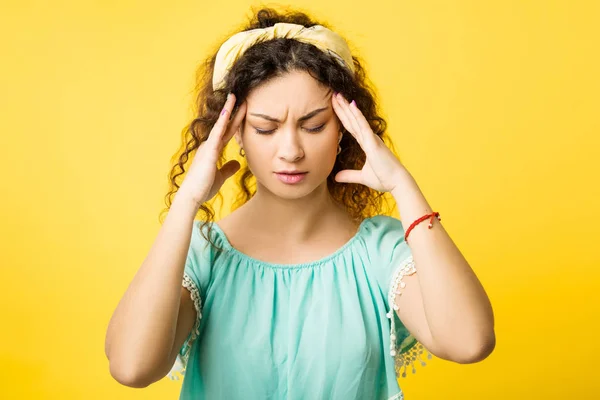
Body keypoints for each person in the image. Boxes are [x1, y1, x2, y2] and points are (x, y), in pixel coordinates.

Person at [104, 7, 496, 400]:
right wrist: (186, 202)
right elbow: (132, 367)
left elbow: (469, 342)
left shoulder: (381, 251)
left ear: (343, 127)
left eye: (313, 126)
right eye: (265, 128)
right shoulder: (204, 253)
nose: (290, 151)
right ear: (233, 133)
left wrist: (402, 187)